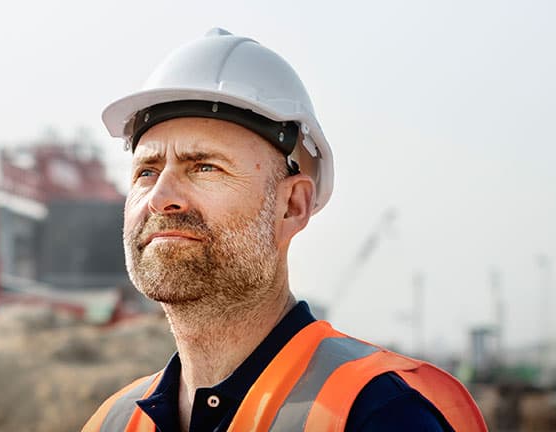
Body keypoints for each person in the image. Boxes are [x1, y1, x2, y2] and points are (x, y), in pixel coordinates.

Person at [81, 29, 485, 432]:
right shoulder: (112, 423)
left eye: (205, 167)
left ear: (292, 206)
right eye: (146, 172)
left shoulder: (376, 415)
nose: (160, 197)